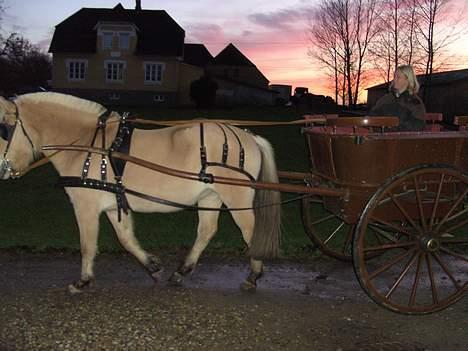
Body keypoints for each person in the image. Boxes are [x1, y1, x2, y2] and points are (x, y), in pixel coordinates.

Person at [370, 65, 426, 131]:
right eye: (394, 77)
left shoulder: (414, 102)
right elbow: (372, 116)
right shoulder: (386, 99)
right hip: (382, 138)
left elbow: (418, 124)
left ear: (407, 80)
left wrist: (395, 128)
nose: (394, 80)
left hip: (402, 139)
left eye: (398, 77)